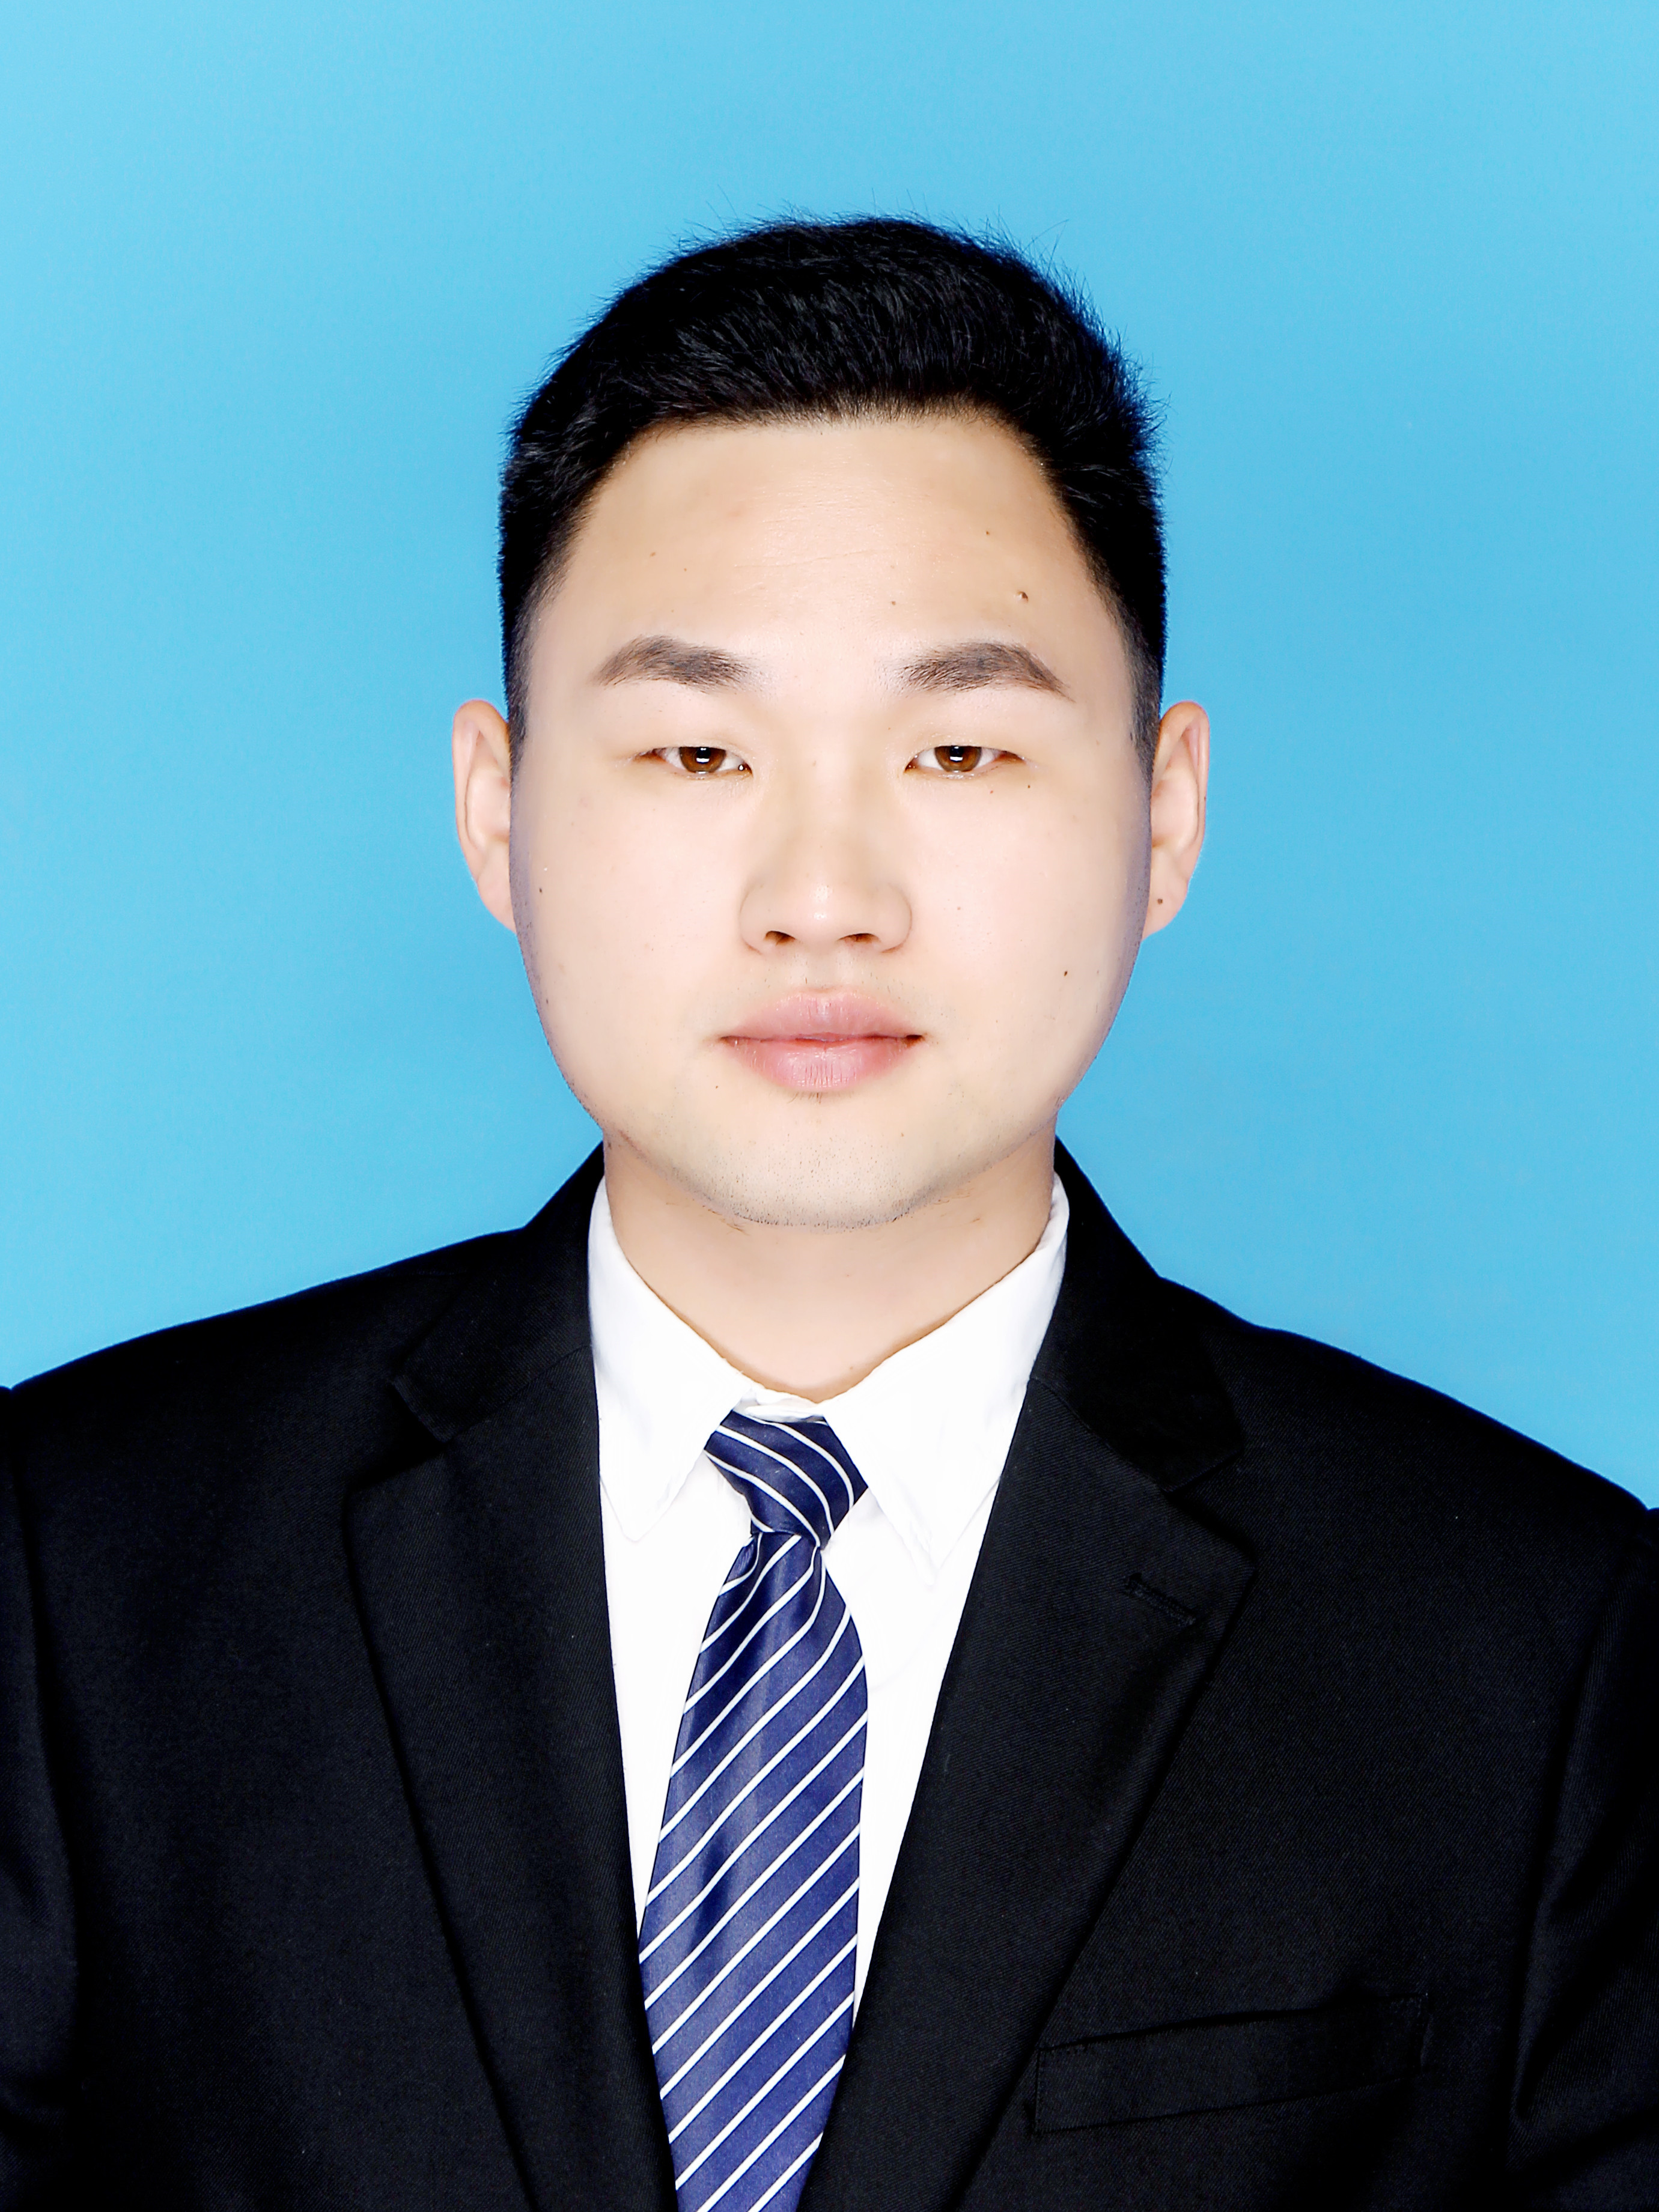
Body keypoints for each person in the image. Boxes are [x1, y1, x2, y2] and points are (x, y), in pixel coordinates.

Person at [2, 217, 1654, 2212]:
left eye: (957, 748)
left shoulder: (1543, 1644)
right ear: (498, 812)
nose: (821, 896)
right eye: (696, 749)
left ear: (1162, 814)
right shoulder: (71, 1571)